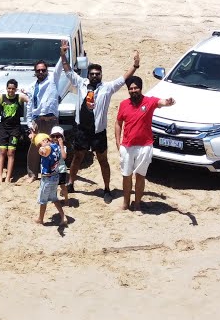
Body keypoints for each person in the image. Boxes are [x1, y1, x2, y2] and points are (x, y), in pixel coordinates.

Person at [60, 46, 140, 199]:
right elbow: (68, 71)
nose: (95, 76)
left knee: (103, 160)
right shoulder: (80, 83)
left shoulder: (107, 88)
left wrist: (135, 66)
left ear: (101, 75)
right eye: (92, 74)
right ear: (88, 75)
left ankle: (107, 189)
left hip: (98, 132)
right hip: (82, 129)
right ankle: (71, 184)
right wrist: (63, 55)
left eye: (98, 74)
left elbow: (123, 79)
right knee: (77, 157)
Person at [115, 76, 176, 211]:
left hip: (144, 146)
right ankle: (126, 203)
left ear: (141, 88)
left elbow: (162, 102)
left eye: (136, 87)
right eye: (131, 88)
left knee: (140, 176)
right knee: (126, 175)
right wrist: (118, 142)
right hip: (127, 146)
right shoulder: (124, 104)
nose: (133, 90)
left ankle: (137, 203)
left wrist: (169, 102)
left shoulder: (149, 101)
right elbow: (118, 123)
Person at [25, 40, 67, 181]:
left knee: (53, 147)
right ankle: (32, 174)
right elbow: (30, 106)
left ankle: (50, 172)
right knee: (34, 148)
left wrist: (62, 53)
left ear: (46, 70)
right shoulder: (32, 87)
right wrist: (30, 125)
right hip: (38, 120)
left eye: (43, 70)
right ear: (35, 72)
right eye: (38, 70)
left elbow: (59, 67)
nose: (41, 72)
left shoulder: (52, 80)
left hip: (51, 120)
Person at [0, 79, 28, 182]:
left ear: (16, 89)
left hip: (15, 128)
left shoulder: (19, 97)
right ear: (6, 88)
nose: (11, 90)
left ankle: (8, 177)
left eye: (13, 89)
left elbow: (32, 101)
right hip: (3, 128)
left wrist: (27, 93)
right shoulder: (2, 97)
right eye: (9, 88)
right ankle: (0, 177)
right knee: (2, 151)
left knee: (11, 152)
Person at [33, 131, 67, 227]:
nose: (40, 146)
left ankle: (40, 219)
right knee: (54, 198)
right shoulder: (55, 147)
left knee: (43, 200)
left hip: (47, 179)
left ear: (45, 140)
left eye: (40, 144)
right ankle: (63, 216)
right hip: (56, 177)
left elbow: (44, 151)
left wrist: (41, 149)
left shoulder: (46, 148)